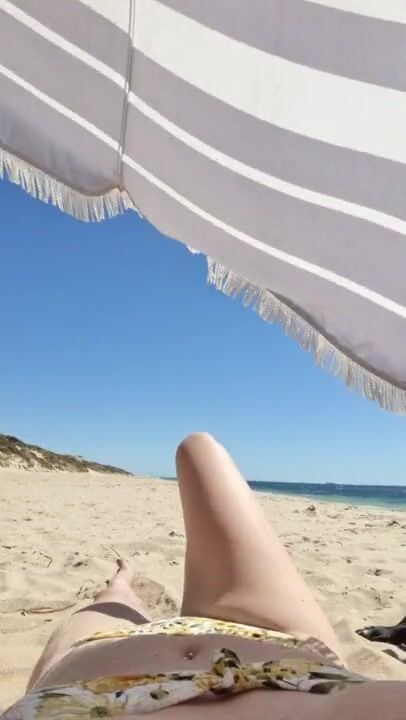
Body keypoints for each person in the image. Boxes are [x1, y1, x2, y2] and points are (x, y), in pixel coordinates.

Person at [3, 433, 406, 719]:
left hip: (88, 678)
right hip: (283, 646)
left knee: (114, 600)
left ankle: (123, 585)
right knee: (199, 449)